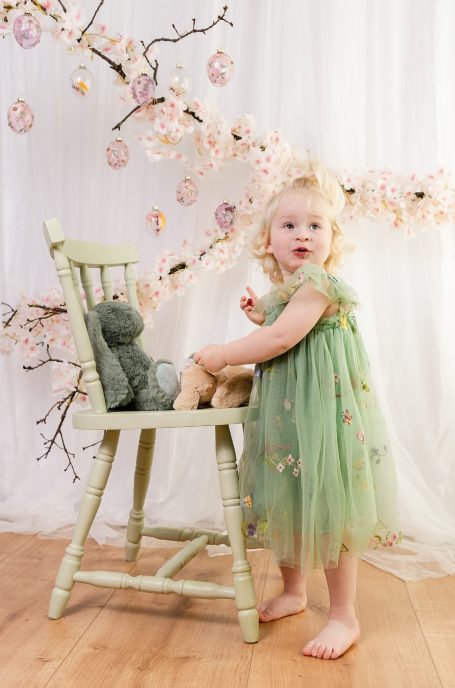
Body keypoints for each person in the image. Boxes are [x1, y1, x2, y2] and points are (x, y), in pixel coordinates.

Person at [193, 160, 402, 660]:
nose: (303, 235)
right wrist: (258, 312)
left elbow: (281, 338)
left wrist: (224, 352)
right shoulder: (289, 290)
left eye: (315, 226)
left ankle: (344, 616)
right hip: (289, 413)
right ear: (268, 240)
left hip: (323, 415)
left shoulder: (318, 285)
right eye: (289, 225)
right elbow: (275, 321)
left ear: (333, 239)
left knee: (329, 505)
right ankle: (294, 591)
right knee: (287, 496)